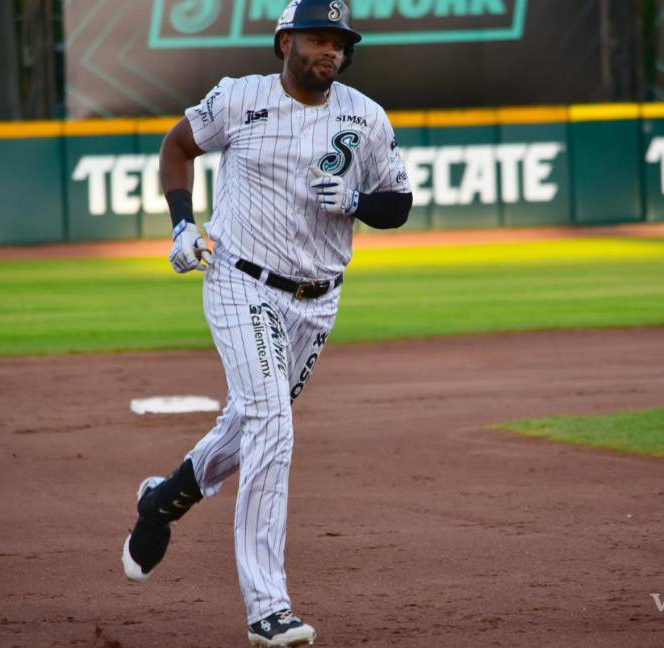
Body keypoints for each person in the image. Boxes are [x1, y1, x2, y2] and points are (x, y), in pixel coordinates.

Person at [120, 1, 413, 645]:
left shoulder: (365, 116)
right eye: (317, 38)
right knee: (273, 425)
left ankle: (164, 498)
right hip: (239, 279)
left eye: (339, 41)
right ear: (285, 42)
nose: (330, 50)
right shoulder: (240, 99)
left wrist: (361, 202)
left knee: (248, 420)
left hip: (318, 300)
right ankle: (267, 606)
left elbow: (400, 203)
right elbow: (178, 146)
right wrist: (180, 225)